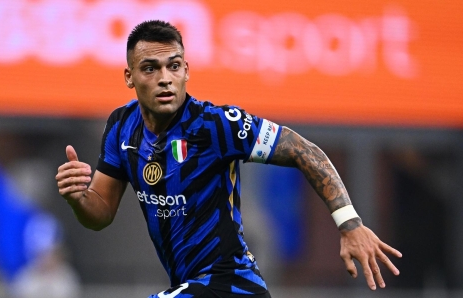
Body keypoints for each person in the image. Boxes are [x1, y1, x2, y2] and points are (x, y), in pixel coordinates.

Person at [55, 20, 402, 298]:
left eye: (173, 66)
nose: (164, 79)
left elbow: (304, 151)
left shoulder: (216, 125)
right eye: (150, 68)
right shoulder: (121, 126)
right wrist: (78, 197)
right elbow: (99, 215)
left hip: (232, 284)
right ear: (129, 77)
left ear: (186, 71)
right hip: (189, 286)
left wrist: (350, 225)